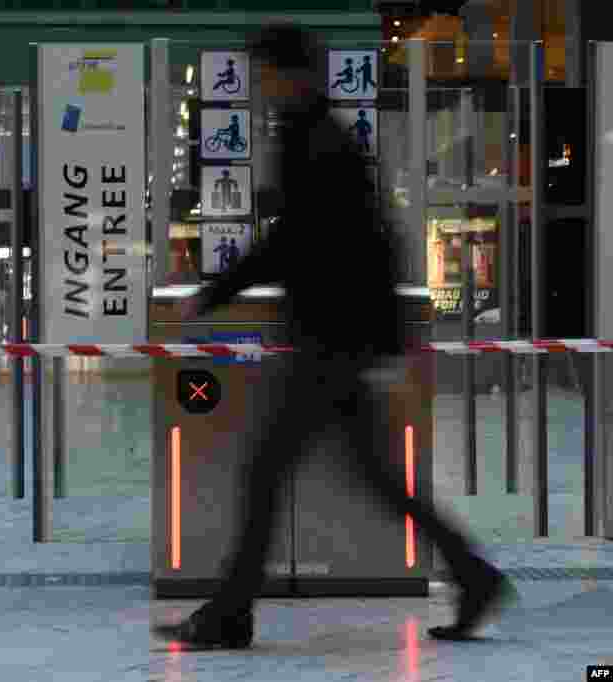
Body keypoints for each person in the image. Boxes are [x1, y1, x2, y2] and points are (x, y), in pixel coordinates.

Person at [152, 23, 516, 651]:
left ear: (285, 73)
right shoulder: (320, 134)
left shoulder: (315, 139)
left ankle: (230, 615)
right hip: (340, 336)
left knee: (267, 471)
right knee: (369, 475)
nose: (260, 87)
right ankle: (473, 575)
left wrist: (212, 294)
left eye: (264, 73)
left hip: (329, 339)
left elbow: (297, 241)